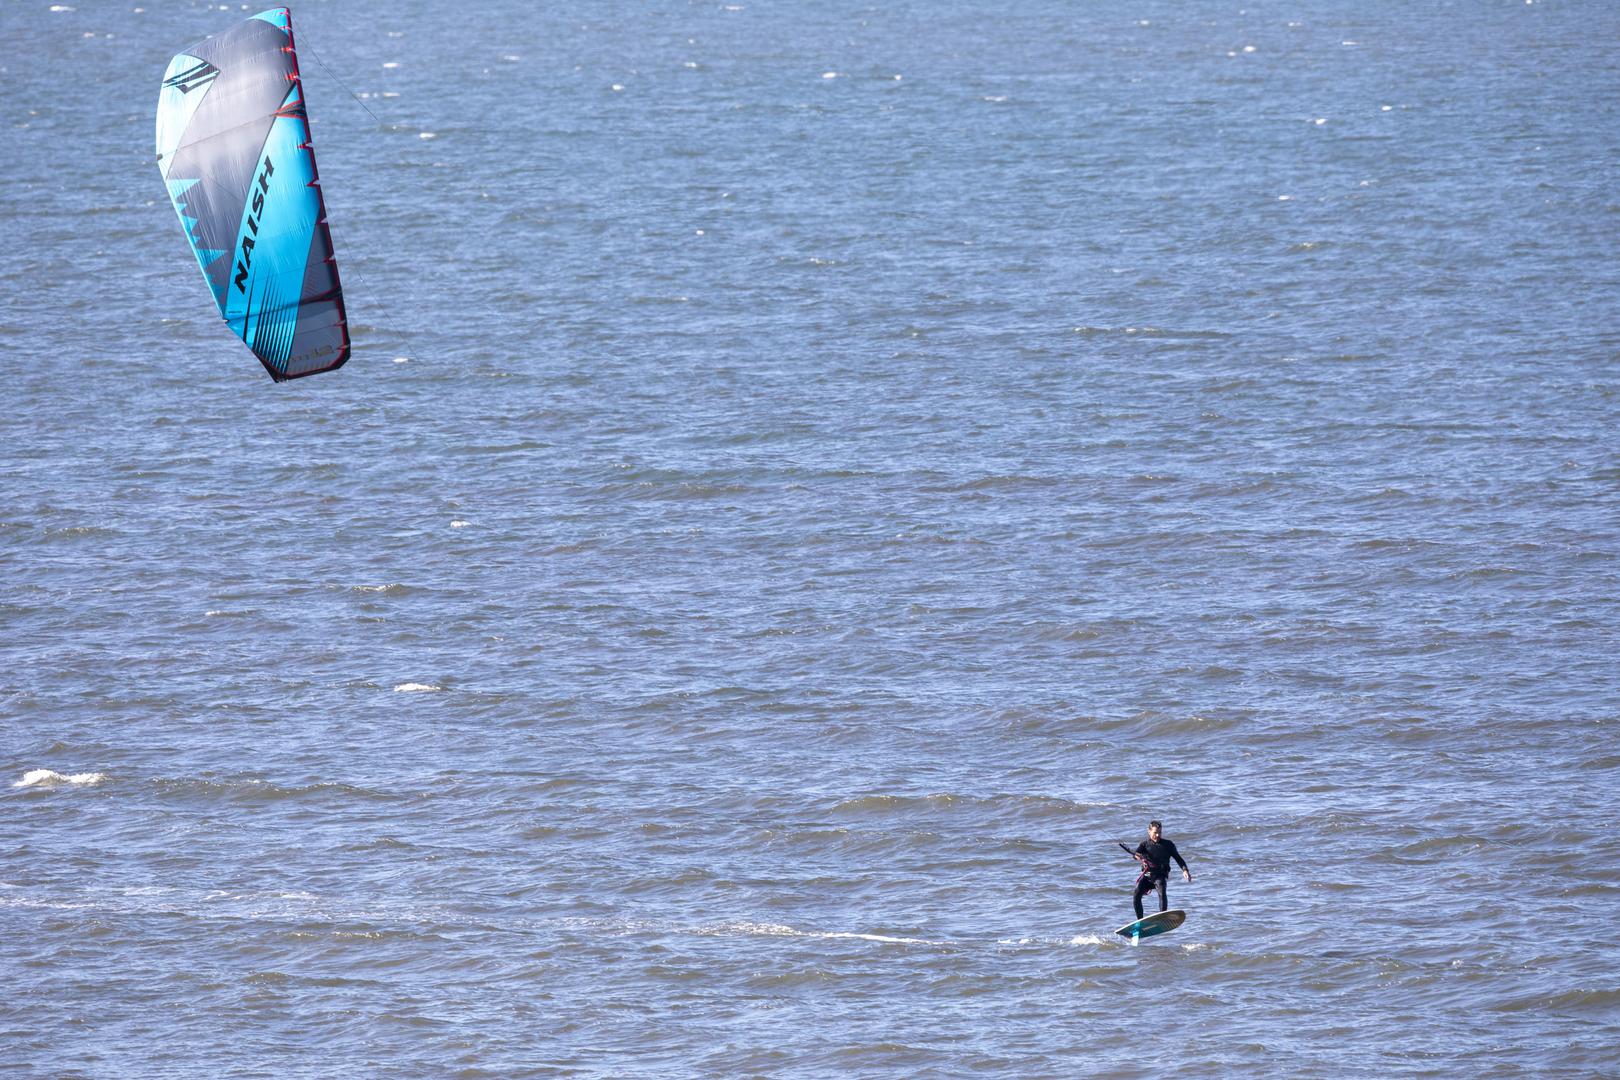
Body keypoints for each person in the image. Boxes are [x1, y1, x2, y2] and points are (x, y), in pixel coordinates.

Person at [1123, 820, 1192, 920]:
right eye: (1155, 832)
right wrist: (1136, 856)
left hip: (1160, 875)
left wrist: (1185, 870)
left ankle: (1162, 918)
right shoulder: (1144, 844)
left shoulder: (1168, 845)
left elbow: (1178, 858)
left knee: (1162, 892)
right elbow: (1136, 854)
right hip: (1147, 876)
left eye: (1160, 832)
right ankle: (1139, 921)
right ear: (1149, 831)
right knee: (1136, 894)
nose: (1158, 835)